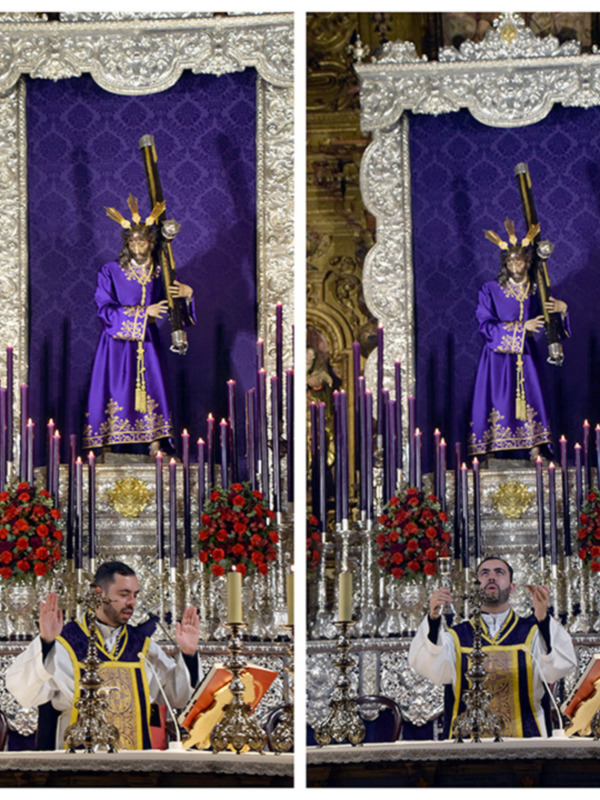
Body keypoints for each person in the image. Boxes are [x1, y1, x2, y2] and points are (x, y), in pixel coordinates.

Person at [6, 561, 201, 750]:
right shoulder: (63, 642)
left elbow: (179, 697)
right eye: (124, 594)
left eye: (135, 595)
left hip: (134, 760)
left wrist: (189, 654)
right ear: (99, 594)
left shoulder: (142, 646)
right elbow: (23, 691)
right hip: (78, 757)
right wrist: (46, 641)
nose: (132, 602)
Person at [408, 556, 577, 738]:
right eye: (484, 573)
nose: (491, 577)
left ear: (512, 587)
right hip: (468, 743)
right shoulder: (457, 637)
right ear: (476, 587)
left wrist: (542, 617)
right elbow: (431, 667)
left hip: (525, 742)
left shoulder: (532, 633)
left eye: (499, 572)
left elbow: (556, 669)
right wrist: (433, 618)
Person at [83, 196, 195, 457]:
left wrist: (187, 295)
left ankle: (155, 442)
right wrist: (144, 313)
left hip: (148, 340)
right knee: (113, 387)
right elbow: (104, 310)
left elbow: (174, 308)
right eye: (132, 242)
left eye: (141, 242)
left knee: (153, 385)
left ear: (151, 243)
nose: (136, 247)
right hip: (116, 344)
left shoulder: (161, 271)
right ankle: (107, 441)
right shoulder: (110, 271)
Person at [468, 219, 570, 459]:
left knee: (532, 395)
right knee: (496, 398)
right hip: (497, 357)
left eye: (519, 261)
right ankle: (491, 448)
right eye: (510, 262)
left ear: (527, 262)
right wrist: (522, 327)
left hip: (526, 353)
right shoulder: (490, 289)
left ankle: (535, 447)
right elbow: (485, 325)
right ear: (505, 264)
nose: (515, 266)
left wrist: (563, 310)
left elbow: (549, 321)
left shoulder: (537, 288)